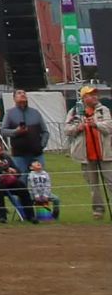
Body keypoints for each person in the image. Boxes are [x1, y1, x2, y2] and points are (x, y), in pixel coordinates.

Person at [64, 87, 112, 217]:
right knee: (93, 185)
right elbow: (67, 129)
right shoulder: (75, 111)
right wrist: (78, 127)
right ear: (84, 97)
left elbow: (109, 127)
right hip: (85, 155)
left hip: (105, 153)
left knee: (111, 182)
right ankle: (98, 210)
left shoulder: (103, 110)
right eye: (91, 94)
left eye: (95, 94)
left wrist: (96, 124)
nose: (95, 96)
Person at [1, 89, 49, 177]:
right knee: (21, 180)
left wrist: (41, 145)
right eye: (19, 93)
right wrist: (16, 131)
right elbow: (3, 131)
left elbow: (45, 132)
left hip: (37, 155)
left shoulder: (35, 113)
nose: (22, 94)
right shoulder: (10, 113)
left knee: (39, 180)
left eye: (24, 93)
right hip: (19, 156)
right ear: (14, 98)